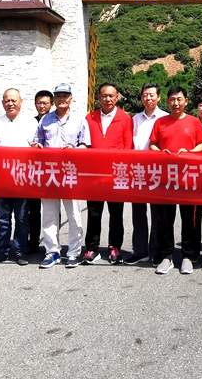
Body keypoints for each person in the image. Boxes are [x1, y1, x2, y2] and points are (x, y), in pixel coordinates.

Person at [150, 86, 202, 275]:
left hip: (188, 178)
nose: (176, 103)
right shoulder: (160, 122)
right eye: (172, 99)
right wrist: (161, 152)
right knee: (165, 220)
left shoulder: (194, 122)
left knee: (189, 219)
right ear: (167, 102)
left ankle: (187, 256)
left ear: (186, 101)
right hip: (166, 178)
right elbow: (152, 145)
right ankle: (167, 256)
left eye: (179, 99)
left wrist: (189, 152)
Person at [33, 83, 91, 269]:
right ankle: (52, 252)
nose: (61, 99)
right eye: (58, 96)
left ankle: (73, 253)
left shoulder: (79, 120)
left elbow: (85, 145)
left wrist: (74, 150)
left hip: (70, 174)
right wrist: (38, 147)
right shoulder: (45, 120)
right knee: (49, 216)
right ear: (54, 99)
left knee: (74, 215)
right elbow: (38, 142)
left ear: (71, 98)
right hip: (49, 174)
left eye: (65, 96)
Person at [0, 88, 39, 266]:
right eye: (7, 100)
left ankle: (21, 250)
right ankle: (1, 251)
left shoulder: (30, 122)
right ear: (2, 103)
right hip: (1, 178)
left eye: (14, 100)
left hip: (22, 178)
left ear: (21, 101)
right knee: (3, 218)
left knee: (22, 218)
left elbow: (36, 146)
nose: (10, 103)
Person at [83, 83, 133, 265]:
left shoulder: (125, 119)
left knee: (116, 213)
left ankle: (114, 247)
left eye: (111, 96)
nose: (108, 99)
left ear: (117, 97)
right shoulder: (90, 118)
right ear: (98, 97)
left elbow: (128, 146)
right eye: (104, 95)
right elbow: (85, 144)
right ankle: (92, 248)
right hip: (95, 174)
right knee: (93, 213)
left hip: (116, 174)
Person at [124, 83, 168, 266]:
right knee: (138, 213)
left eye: (151, 95)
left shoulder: (166, 118)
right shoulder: (134, 119)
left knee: (158, 214)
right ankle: (140, 251)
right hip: (138, 170)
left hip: (158, 171)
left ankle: (156, 250)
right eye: (145, 95)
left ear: (158, 97)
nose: (148, 98)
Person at [30, 89, 53, 253]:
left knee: (53, 209)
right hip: (34, 171)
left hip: (52, 171)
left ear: (51, 104)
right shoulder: (30, 123)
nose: (42, 106)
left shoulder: (54, 121)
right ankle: (33, 241)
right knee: (33, 208)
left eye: (45, 103)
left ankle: (53, 242)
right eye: (39, 103)